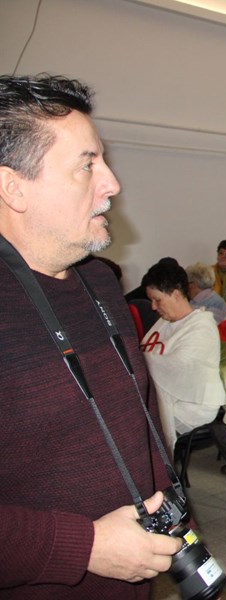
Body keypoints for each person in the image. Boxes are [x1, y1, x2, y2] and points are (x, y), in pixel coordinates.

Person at [0, 74, 182, 596]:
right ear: (13, 187)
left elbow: (138, 416)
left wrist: (174, 510)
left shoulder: (100, 281)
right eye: (87, 165)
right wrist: (85, 547)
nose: (112, 183)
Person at [141, 261, 226, 451]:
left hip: (192, 403)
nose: (153, 307)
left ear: (175, 294)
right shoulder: (164, 322)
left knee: (133, 420)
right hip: (168, 393)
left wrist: (137, 360)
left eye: (157, 300)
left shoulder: (202, 326)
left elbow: (179, 368)